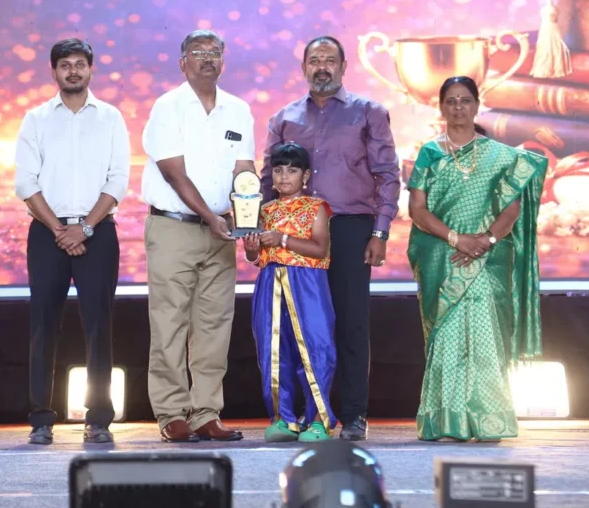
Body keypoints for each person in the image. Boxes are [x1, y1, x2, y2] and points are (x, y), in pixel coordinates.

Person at [260, 36, 400, 441]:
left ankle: (353, 414)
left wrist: (379, 231)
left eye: (330, 60)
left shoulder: (369, 112)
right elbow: (268, 179)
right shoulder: (284, 117)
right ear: (304, 67)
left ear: (343, 67)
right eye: (315, 60)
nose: (322, 67)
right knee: (299, 326)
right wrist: (260, 228)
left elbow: (388, 175)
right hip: (294, 233)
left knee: (351, 323)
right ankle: (300, 415)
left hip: (350, 228)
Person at [407, 76, 547, 441]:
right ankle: (446, 421)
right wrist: (457, 239)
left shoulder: (502, 155)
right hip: (442, 254)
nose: (458, 107)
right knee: (448, 336)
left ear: (477, 105)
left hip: (489, 256)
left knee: (486, 334)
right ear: (441, 107)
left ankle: (489, 420)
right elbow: (417, 210)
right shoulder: (430, 153)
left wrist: (485, 240)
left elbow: (511, 207)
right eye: (451, 101)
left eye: (465, 100)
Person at [14, 38, 130, 445]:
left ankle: (98, 418)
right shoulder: (36, 119)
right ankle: (40, 418)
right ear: (54, 71)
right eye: (66, 65)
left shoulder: (111, 117)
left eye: (80, 64)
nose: (74, 71)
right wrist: (61, 231)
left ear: (91, 70)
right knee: (43, 325)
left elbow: (118, 179)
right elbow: (25, 183)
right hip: (47, 234)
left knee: (99, 326)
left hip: (97, 232)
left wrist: (85, 228)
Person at [141, 29, 255, 443]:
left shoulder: (238, 110)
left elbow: (245, 172)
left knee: (214, 324)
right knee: (169, 322)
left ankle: (206, 411)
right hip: (174, 228)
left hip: (221, 231)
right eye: (197, 52)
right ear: (182, 62)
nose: (206, 59)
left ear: (223, 60)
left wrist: (249, 224)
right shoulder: (168, 107)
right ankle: (171, 412)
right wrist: (210, 216)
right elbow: (174, 173)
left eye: (213, 52)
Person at [244, 142, 337, 443]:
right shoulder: (265, 210)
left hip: (307, 284)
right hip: (270, 283)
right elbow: (257, 258)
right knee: (273, 350)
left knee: (316, 347)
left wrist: (282, 239)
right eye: (278, 170)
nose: (284, 176)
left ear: (305, 176)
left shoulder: (317, 208)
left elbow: (320, 249)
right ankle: (283, 419)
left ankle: (318, 420)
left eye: (292, 170)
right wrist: (251, 249)